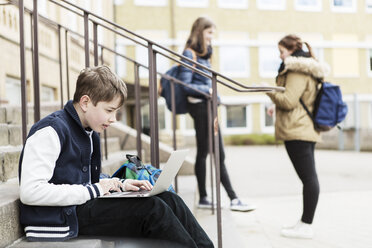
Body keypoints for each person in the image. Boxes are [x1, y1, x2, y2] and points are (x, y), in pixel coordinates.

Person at [18, 65, 214, 248]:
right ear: (85, 102)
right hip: (60, 218)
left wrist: (119, 184)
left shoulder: (88, 131)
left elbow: (82, 180)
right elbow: (31, 191)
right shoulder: (50, 131)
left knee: (168, 198)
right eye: (109, 110)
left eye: (116, 112)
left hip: (78, 207)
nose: (113, 119)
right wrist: (95, 190)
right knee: (152, 209)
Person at [177, 17, 256, 212]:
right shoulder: (190, 53)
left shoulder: (204, 55)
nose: (212, 37)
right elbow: (185, 85)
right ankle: (233, 198)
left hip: (208, 107)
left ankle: (205, 197)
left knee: (205, 153)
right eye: (209, 32)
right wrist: (208, 91)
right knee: (217, 153)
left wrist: (215, 95)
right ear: (200, 32)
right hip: (201, 108)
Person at [266, 34, 329, 239]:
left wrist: (268, 90)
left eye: (282, 52)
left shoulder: (296, 70)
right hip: (303, 128)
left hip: (297, 130)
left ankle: (306, 225)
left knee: (309, 178)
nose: (280, 56)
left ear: (291, 50)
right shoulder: (306, 68)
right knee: (309, 178)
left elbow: (289, 101)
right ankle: (304, 222)